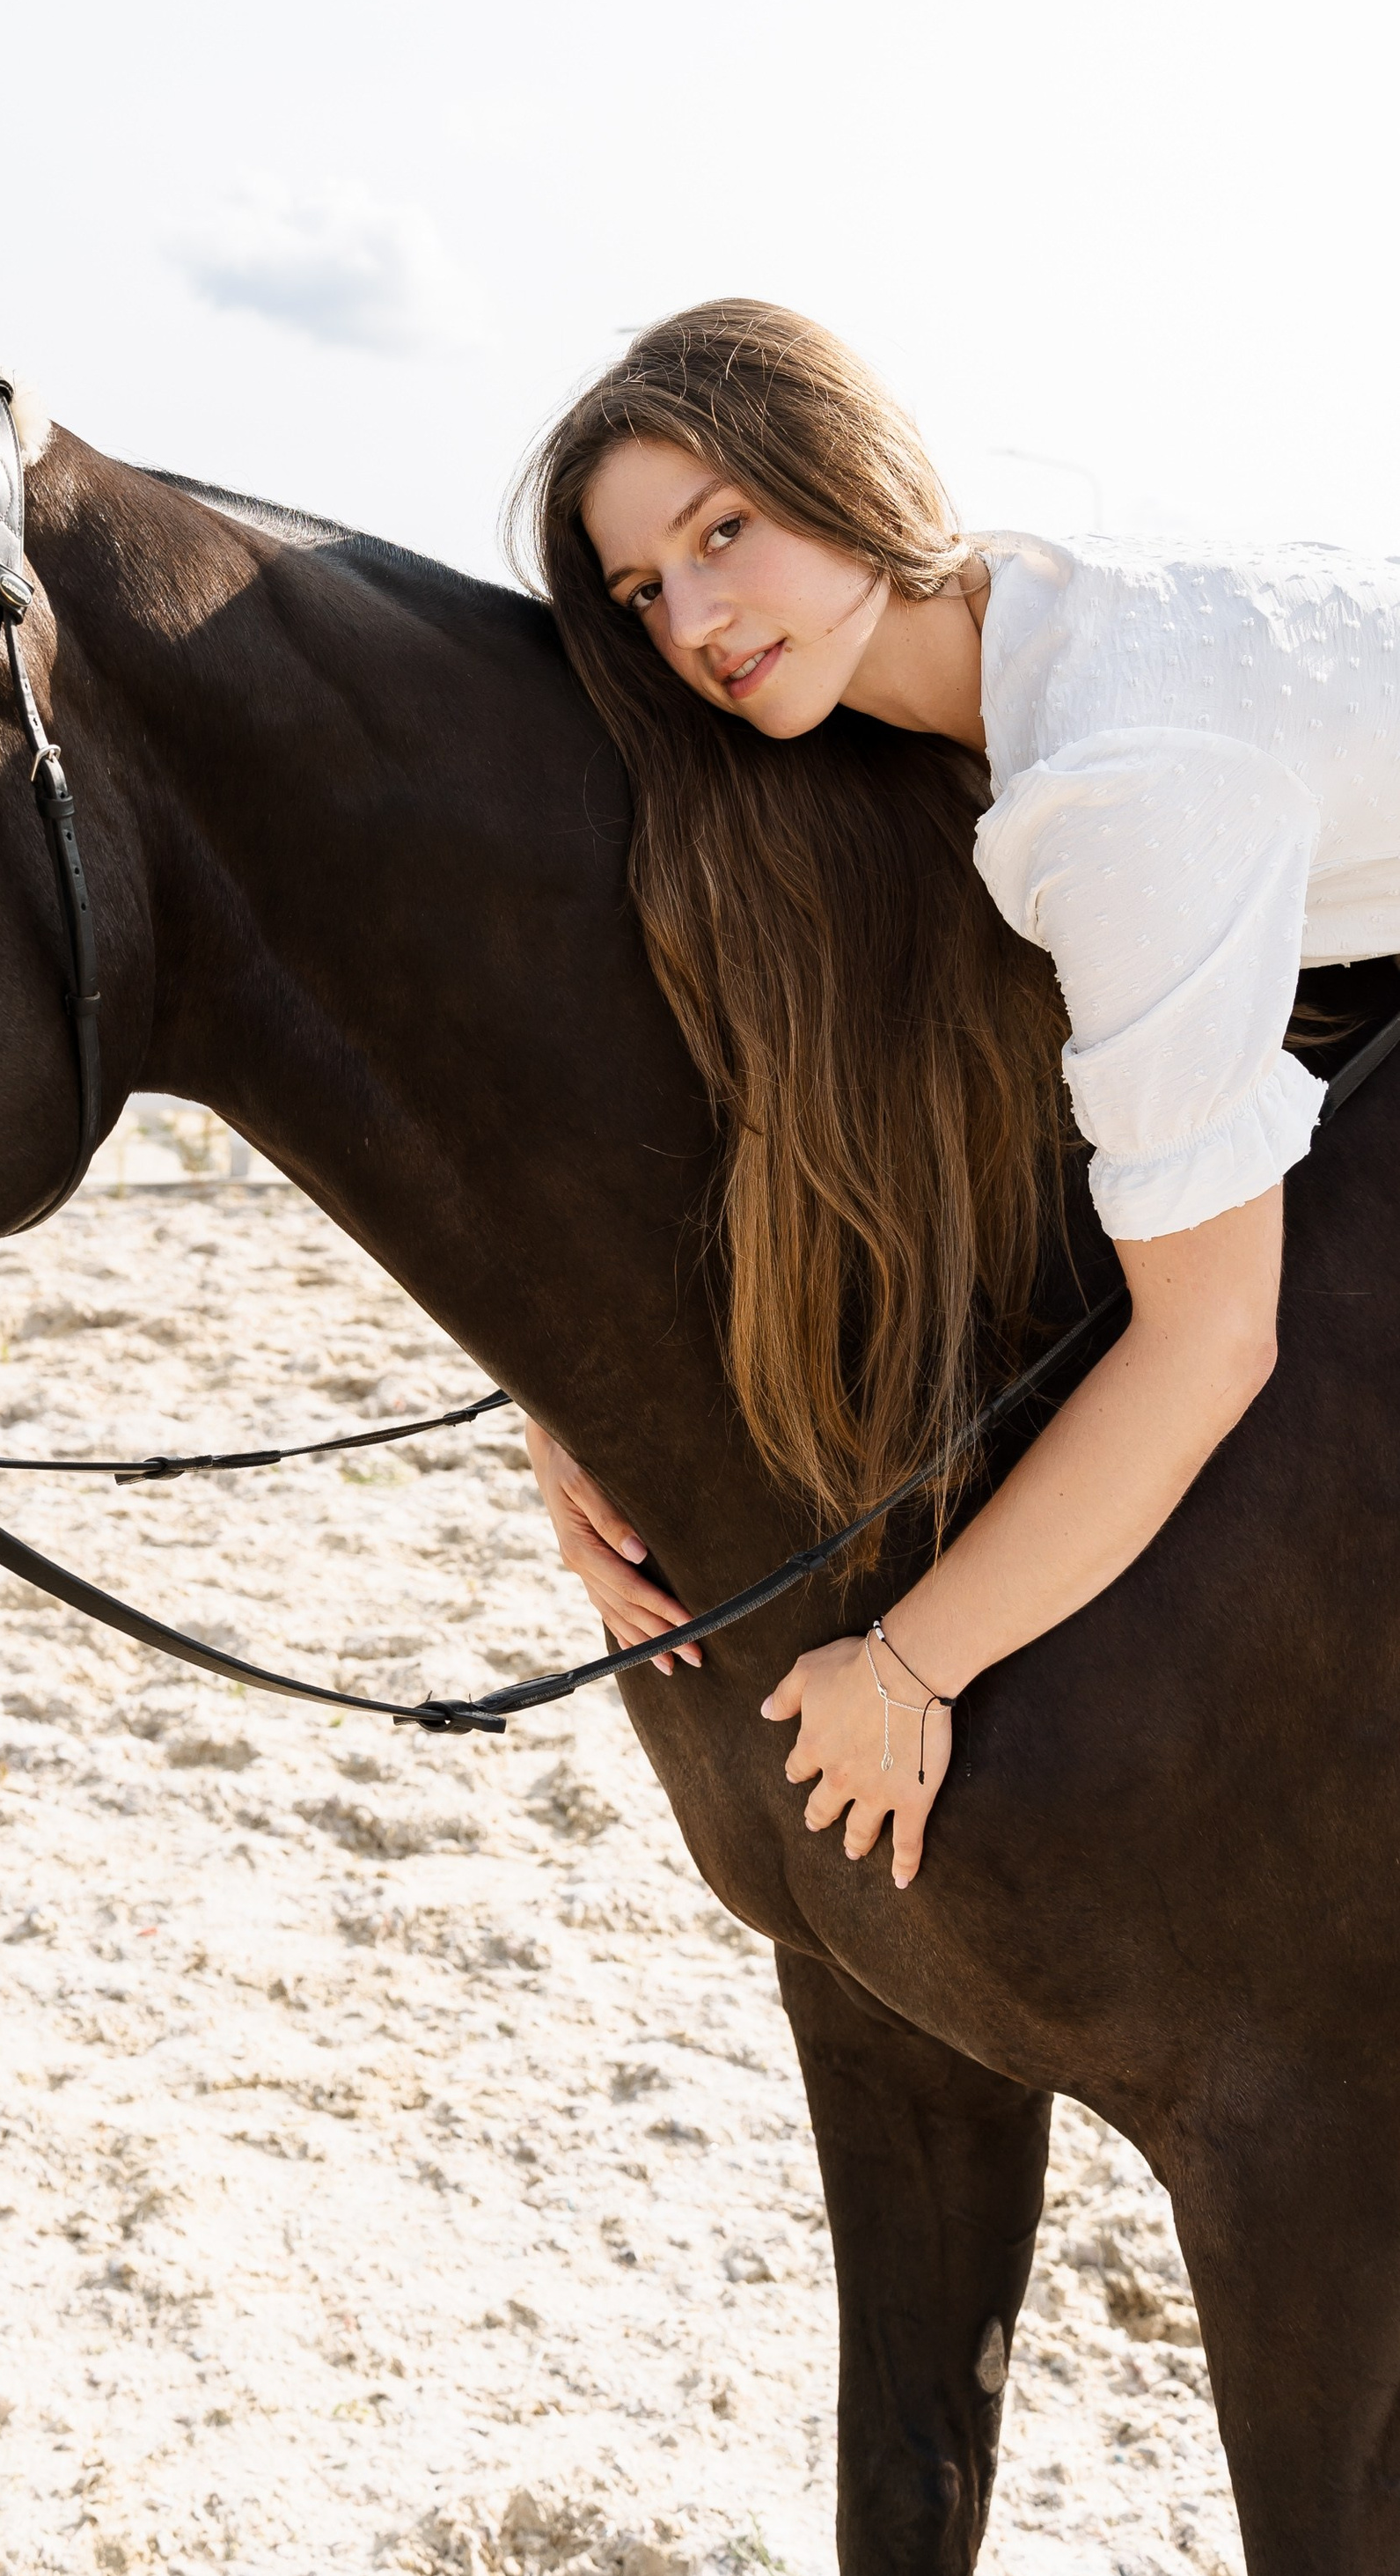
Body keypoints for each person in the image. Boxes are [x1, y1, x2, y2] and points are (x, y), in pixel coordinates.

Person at [515, 301, 1400, 1886]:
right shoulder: (996, 641)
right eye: (648, 589)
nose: (699, 621)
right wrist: (558, 1394)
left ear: (844, 467)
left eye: (727, 529)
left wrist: (909, 1670)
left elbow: (1214, 1338)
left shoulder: (1116, 785)